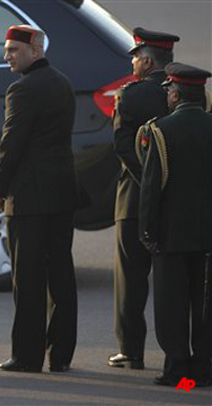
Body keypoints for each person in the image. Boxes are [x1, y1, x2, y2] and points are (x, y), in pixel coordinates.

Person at [0, 25, 79, 373]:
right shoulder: (62, 82)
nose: (7, 56)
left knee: (27, 281)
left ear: (36, 50)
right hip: (62, 194)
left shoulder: (23, 88)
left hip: (29, 199)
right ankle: (61, 356)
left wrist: (0, 189)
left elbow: (10, 144)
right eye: (7, 49)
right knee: (61, 276)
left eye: (14, 49)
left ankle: (26, 358)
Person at [109, 27, 179, 370]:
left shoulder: (130, 96)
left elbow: (123, 147)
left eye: (136, 57)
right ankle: (176, 357)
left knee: (131, 279)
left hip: (135, 202)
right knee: (172, 283)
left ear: (148, 60)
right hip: (176, 202)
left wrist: (150, 183)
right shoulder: (187, 94)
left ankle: (131, 350)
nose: (134, 63)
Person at [138, 62, 212, 387]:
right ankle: (204, 370)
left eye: (169, 89)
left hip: (171, 235)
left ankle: (178, 371)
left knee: (172, 305)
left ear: (177, 94)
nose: (167, 93)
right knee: (206, 304)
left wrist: (147, 232)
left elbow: (151, 187)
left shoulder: (161, 130)